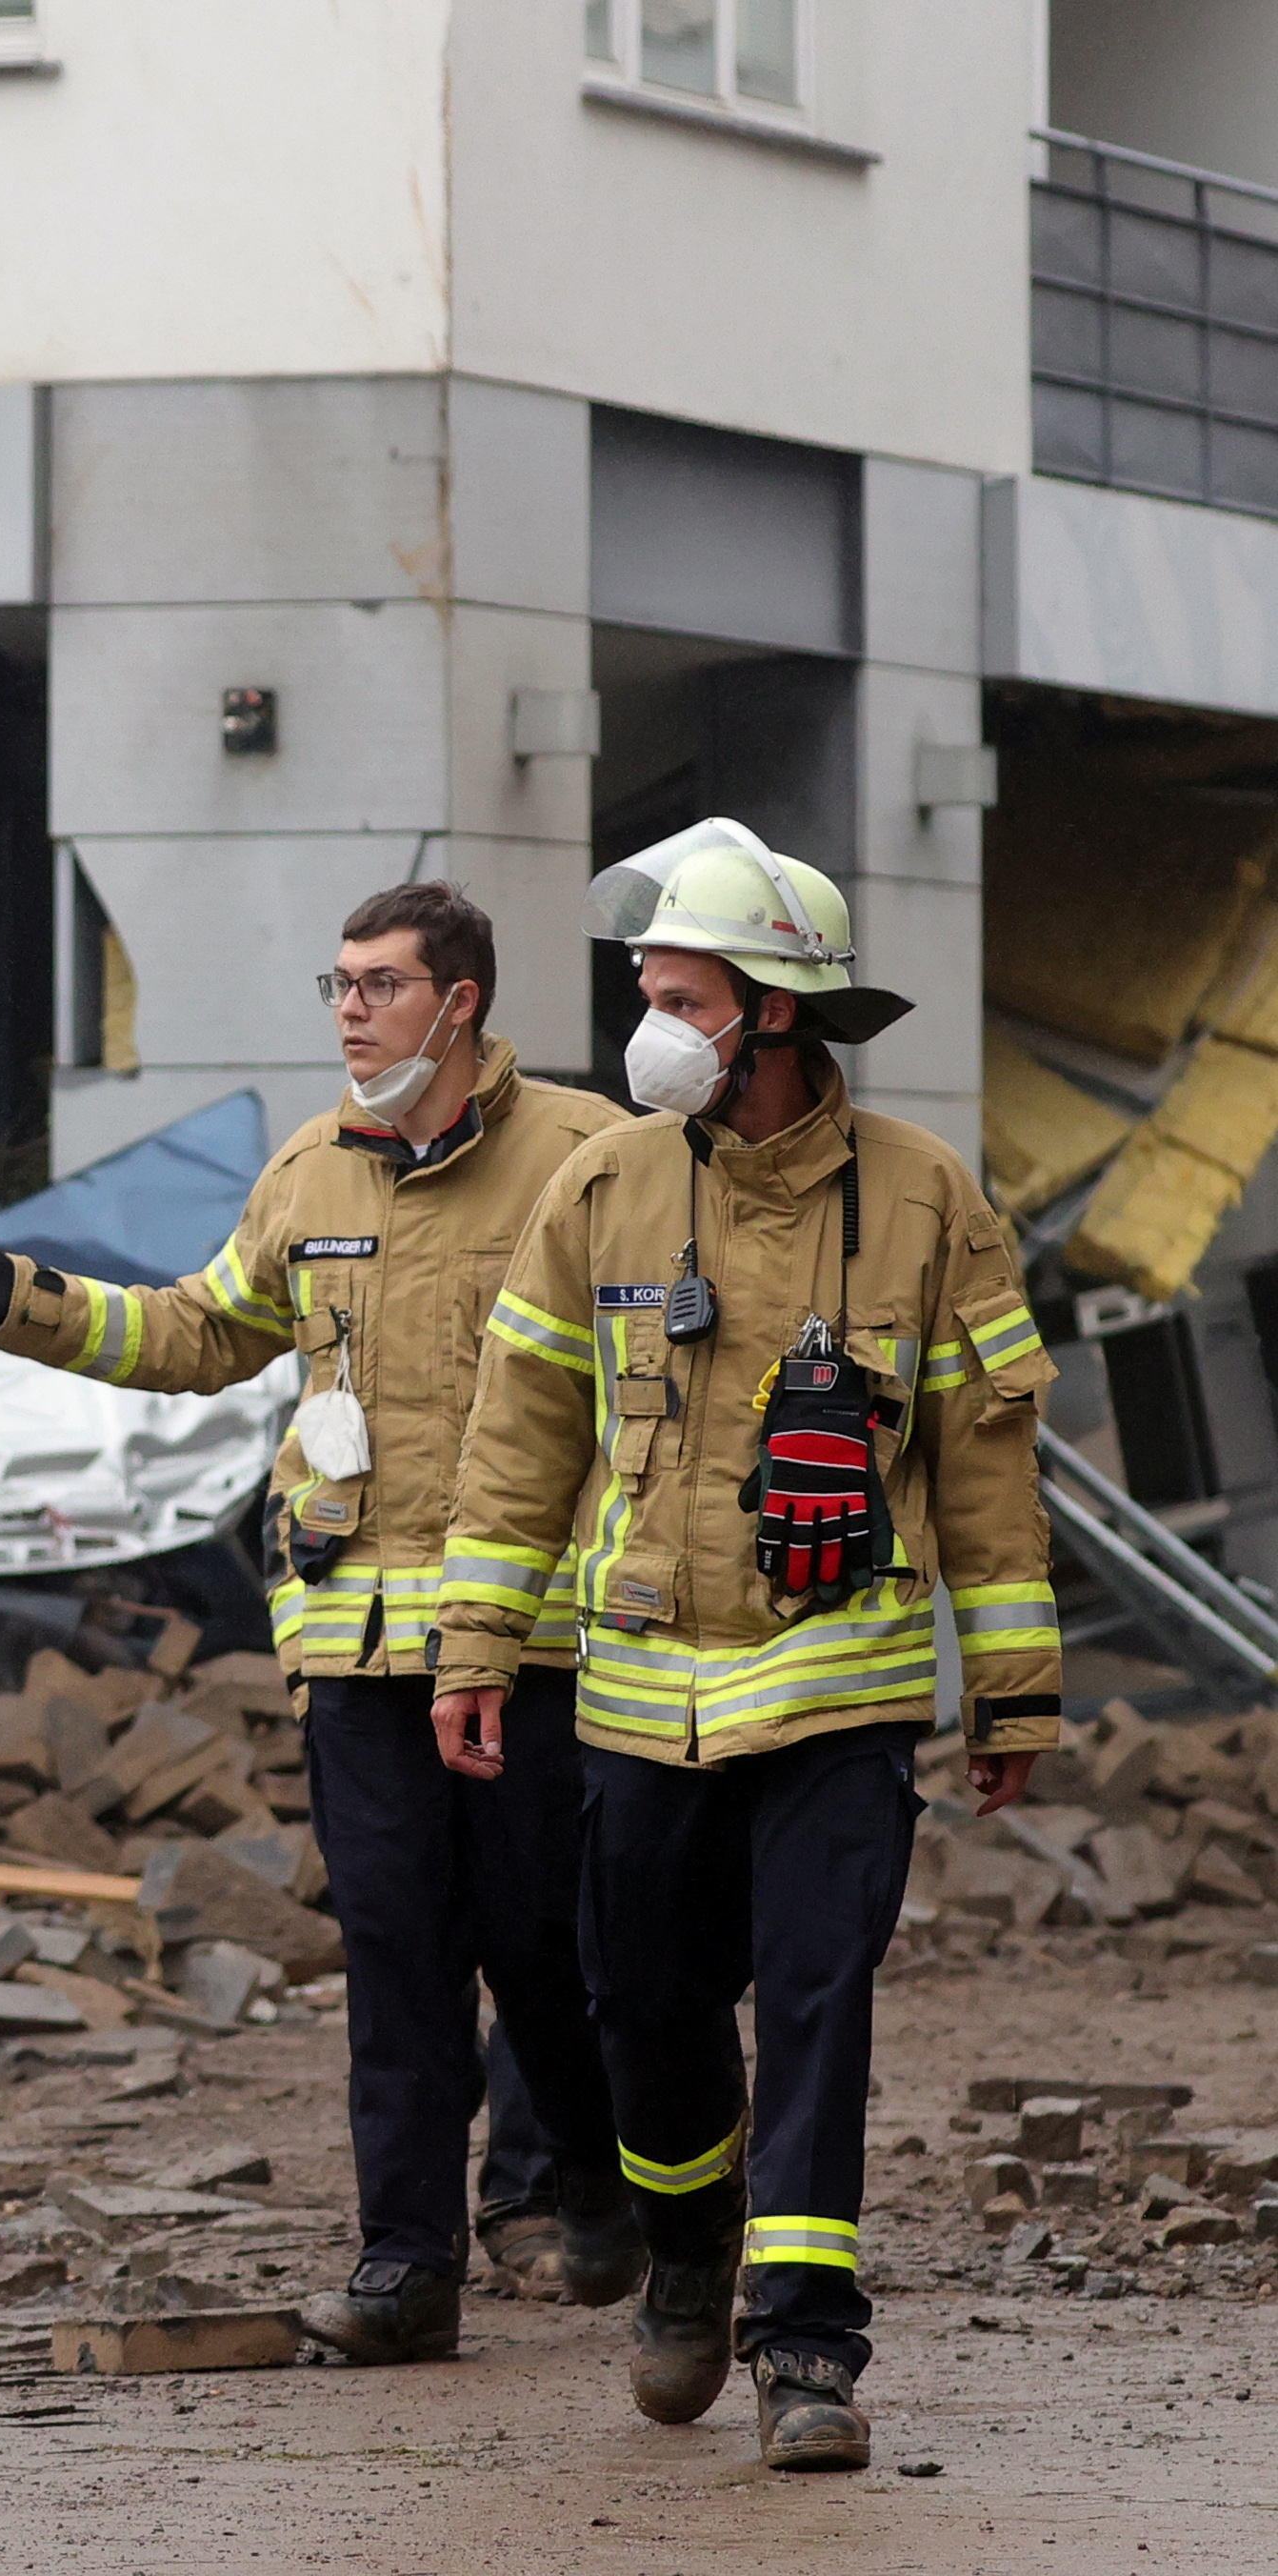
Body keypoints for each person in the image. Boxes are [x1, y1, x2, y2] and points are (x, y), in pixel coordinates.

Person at [0, 882, 639, 2364]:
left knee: (545, 1947)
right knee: (394, 1950)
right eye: (341, 980)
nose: (352, 1006)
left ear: (462, 1003)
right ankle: (404, 2267)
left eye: (382, 982)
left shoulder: (588, 1160)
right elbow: (198, 1331)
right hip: (358, 1649)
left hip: (540, 1648)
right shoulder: (311, 1171)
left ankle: (607, 2183)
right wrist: (18, 1302)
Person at [429, 818, 1056, 2473]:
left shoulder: (926, 1201)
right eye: (647, 983)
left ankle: (807, 2349)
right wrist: (477, 1648)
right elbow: (519, 1441)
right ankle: (692, 2247)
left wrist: (1014, 1685)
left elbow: (987, 1457)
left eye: (681, 990)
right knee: (640, 2001)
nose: (649, 1016)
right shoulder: (605, 1187)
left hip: (840, 1691)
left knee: (821, 1995)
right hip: (640, 1695)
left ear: (776, 1010)